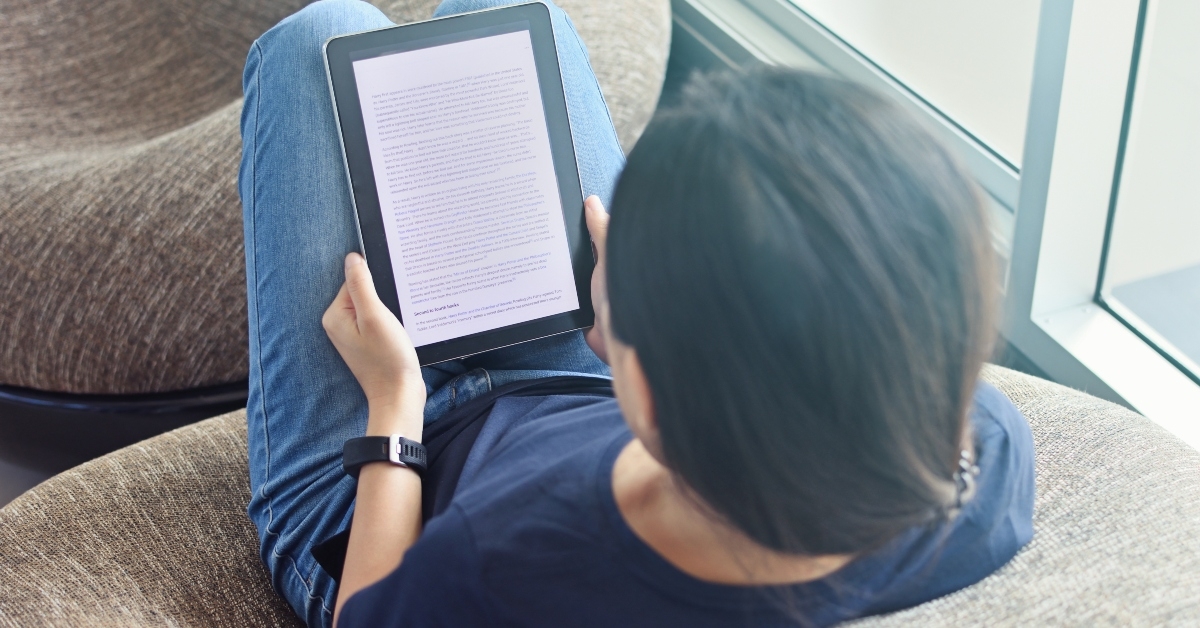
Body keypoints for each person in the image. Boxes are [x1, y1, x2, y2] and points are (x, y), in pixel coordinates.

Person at [238, 0, 1035, 626]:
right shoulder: (975, 464)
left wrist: (392, 405)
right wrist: (647, 306)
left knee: (321, 36)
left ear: (647, 394)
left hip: (379, 480)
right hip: (583, 388)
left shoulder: (508, 558)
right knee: (515, 20)